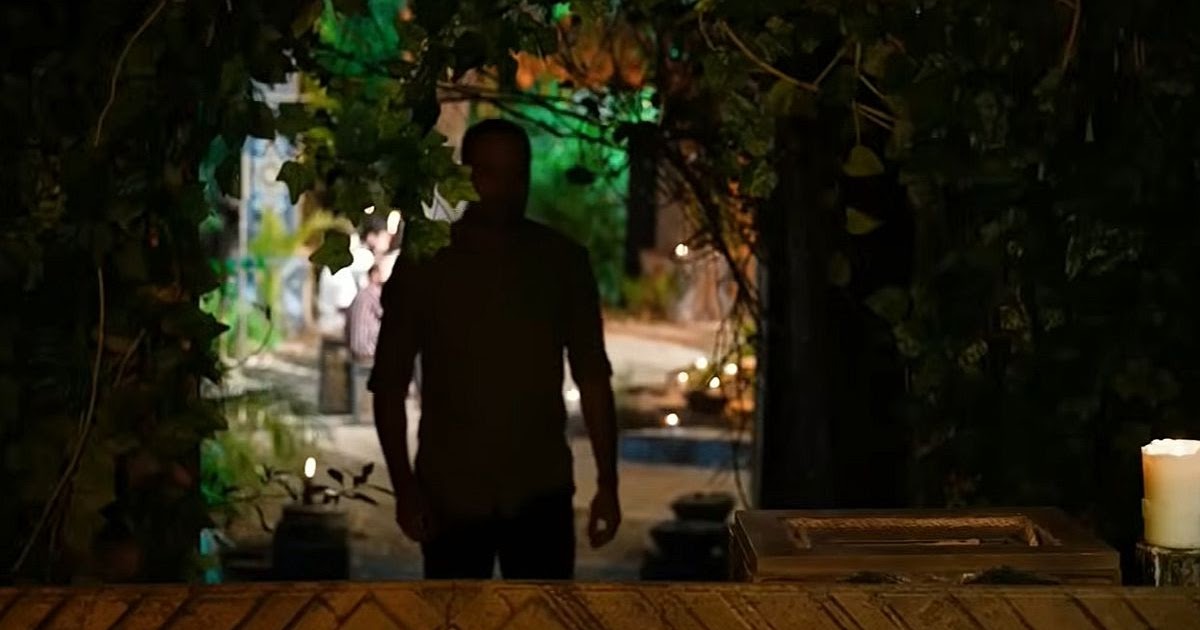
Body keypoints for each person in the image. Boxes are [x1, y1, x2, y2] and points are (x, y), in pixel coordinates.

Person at [369, 119, 621, 580]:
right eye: (489, 173)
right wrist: (405, 488)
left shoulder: (561, 263)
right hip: (453, 492)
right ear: (466, 176)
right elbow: (388, 383)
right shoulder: (427, 265)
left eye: (514, 174)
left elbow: (593, 377)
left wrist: (609, 482)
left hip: (538, 490)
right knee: (459, 611)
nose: (503, 188)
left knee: (542, 613)